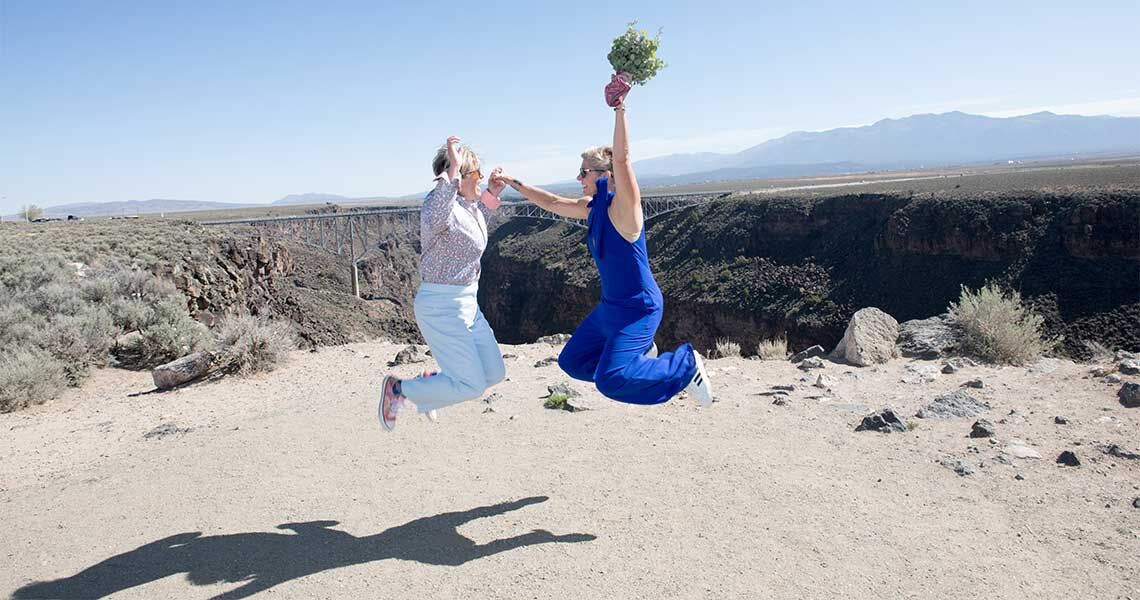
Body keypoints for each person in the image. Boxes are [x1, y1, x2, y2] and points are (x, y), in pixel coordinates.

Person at [490, 85, 713, 407]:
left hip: (639, 308)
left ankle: (684, 364)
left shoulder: (626, 209)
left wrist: (619, 109)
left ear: (604, 174)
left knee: (611, 381)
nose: (578, 176)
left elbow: (622, 159)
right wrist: (512, 181)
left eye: (583, 171)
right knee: (574, 362)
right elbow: (551, 202)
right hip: (611, 307)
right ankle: (640, 362)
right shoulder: (591, 208)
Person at [379, 136, 507, 431]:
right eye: (476, 173)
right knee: (471, 385)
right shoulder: (437, 206)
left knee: (493, 373)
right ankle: (398, 389)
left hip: (467, 304)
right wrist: (453, 168)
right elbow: (441, 208)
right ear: (457, 177)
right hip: (441, 306)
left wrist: (491, 193)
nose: (481, 177)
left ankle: (433, 385)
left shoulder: (467, 207)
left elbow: (476, 223)